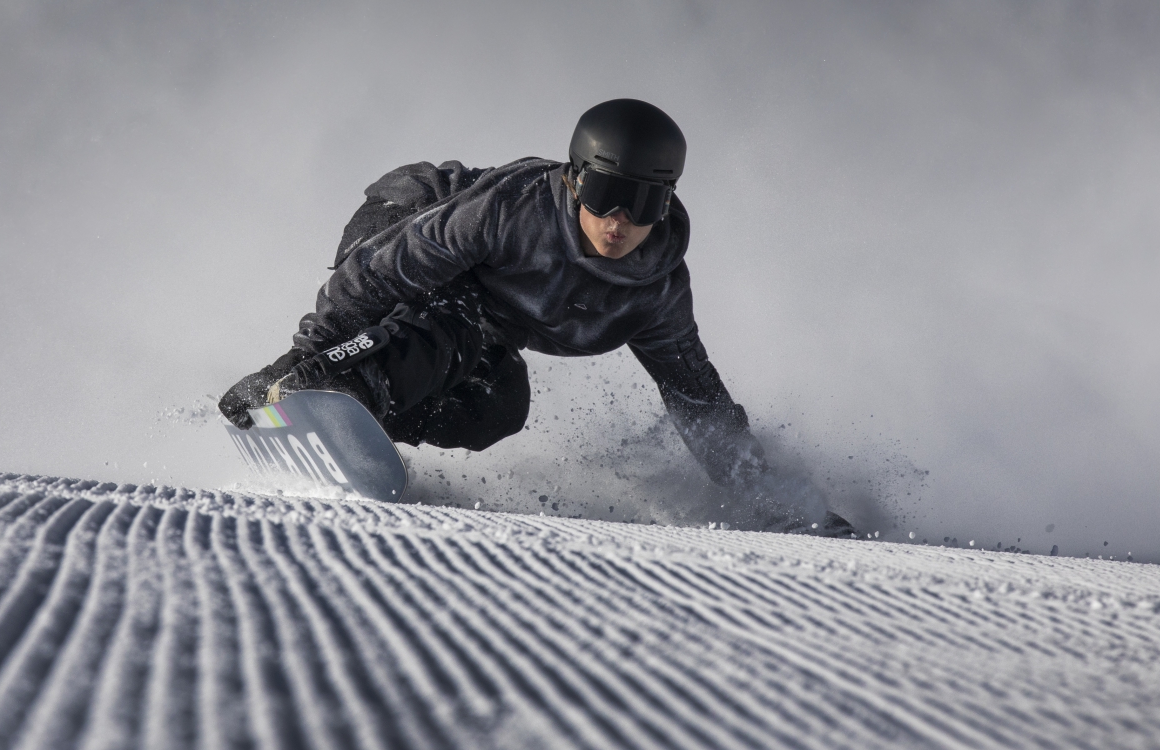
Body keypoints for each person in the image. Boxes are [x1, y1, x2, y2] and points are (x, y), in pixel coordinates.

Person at [220, 98, 856, 537]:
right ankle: (346, 386)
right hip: (405, 223)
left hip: (478, 312)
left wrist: (777, 504)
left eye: (642, 203)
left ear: (666, 203)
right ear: (576, 181)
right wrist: (300, 360)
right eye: (606, 194)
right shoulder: (514, 209)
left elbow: (698, 400)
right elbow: (385, 271)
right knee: (452, 329)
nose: (619, 221)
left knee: (501, 405)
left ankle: (363, 418)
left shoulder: (656, 291)